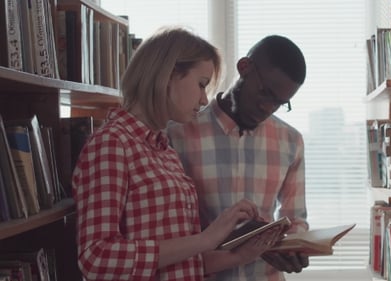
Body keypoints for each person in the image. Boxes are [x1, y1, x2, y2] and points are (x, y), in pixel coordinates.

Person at [72, 26, 285, 281]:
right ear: (169, 74)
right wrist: (206, 238)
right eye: (201, 84)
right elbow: (96, 258)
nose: (205, 99)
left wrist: (240, 255)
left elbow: (178, 262)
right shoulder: (112, 144)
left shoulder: (165, 151)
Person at [168, 35, 309, 281]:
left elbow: (295, 218)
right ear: (244, 67)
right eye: (265, 93)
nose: (268, 108)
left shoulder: (291, 141)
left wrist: (294, 247)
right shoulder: (177, 133)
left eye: (279, 103)